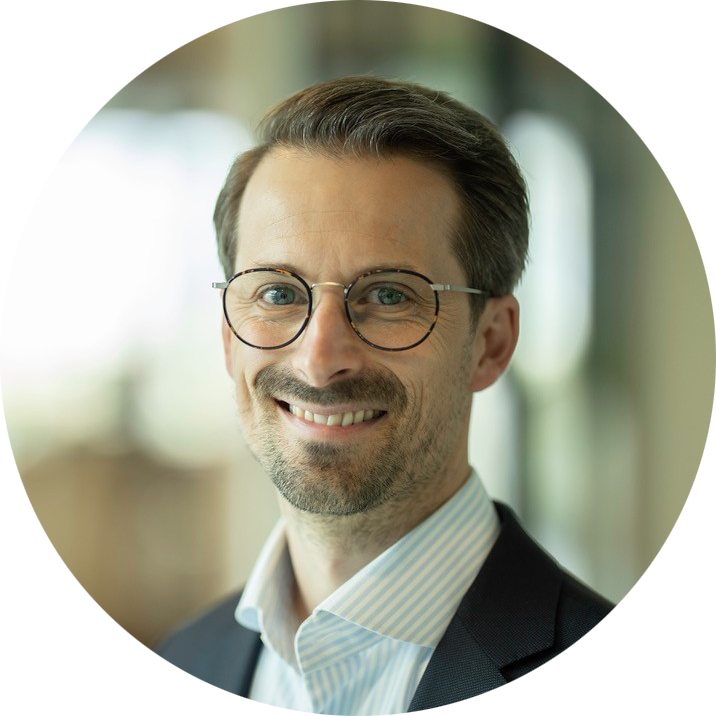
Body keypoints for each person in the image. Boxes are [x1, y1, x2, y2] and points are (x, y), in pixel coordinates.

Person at [134, 76, 716, 716]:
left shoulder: (648, 707)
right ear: (228, 338)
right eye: (277, 293)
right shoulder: (179, 676)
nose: (320, 359)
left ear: (491, 343)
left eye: (388, 295)